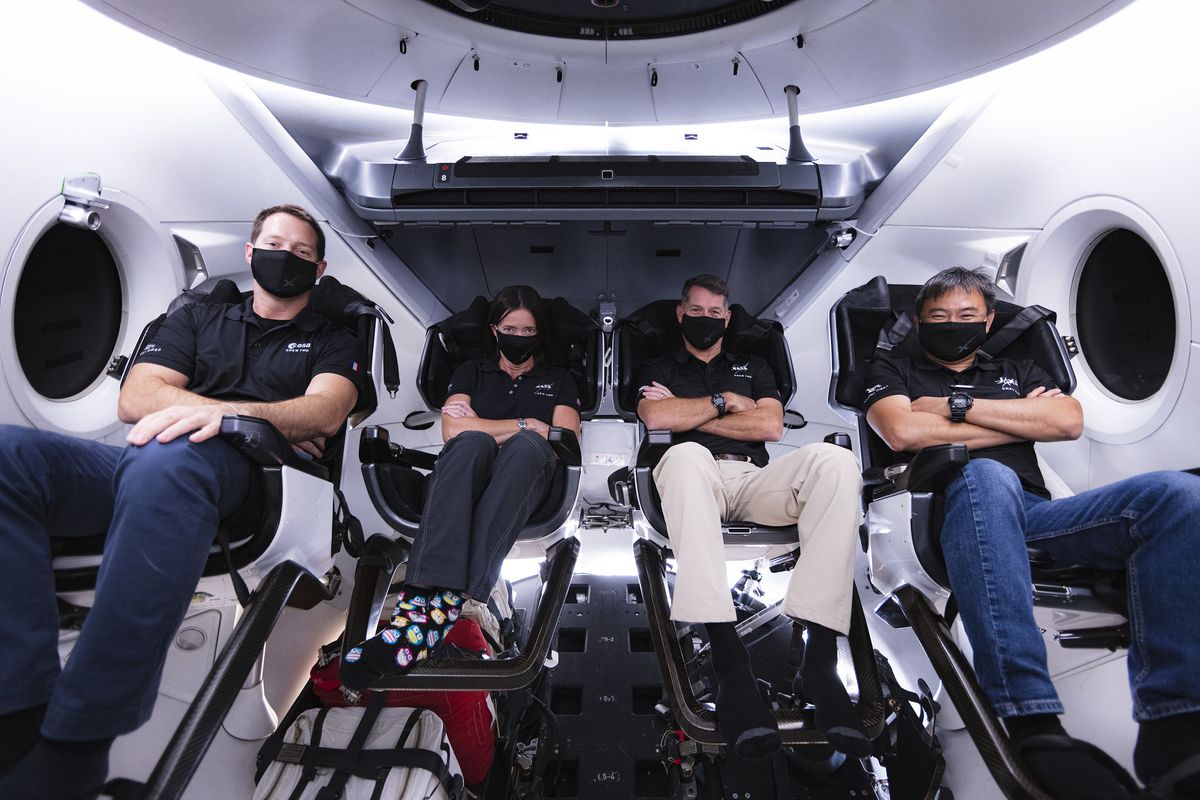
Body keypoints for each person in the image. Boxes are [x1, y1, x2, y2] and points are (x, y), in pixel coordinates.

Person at [0, 204, 361, 799]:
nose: (286, 257)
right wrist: (224, 413)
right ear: (250, 254)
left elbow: (321, 412)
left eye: (301, 253)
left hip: (255, 472)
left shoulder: (331, 338)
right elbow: (136, 397)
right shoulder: (199, 318)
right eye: (275, 244)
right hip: (150, 452)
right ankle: (17, 708)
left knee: (169, 461)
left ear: (318, 270)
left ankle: (81, 741)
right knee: (12, 457)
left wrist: (212, 415)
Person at [863, 266, 1200, 799]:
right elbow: (902, 430)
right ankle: (1033, 723)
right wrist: (1013, 421)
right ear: (918, 322)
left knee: (1178, 496)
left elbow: (1066, 422)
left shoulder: (1016, 367)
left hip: (1034, 513)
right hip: (939, 509)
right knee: (988, 473)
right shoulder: (891, 370)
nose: (954, 324)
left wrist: (954, 409)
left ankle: (1176, 728)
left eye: (967, 316)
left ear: (988, 319)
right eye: (939, 317)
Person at [635, 274, 867, 761]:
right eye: (695, 311)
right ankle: (728, 659)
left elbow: (771, 424)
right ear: (681, 314)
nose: (705, 320)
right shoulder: (658, 364)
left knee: (837, 461)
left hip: (752, 478)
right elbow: (656, 420)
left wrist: (690, 411)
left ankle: (820, 659)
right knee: (683, 455)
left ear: (728, 316)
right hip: (690, 479)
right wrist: (724, 402)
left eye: (715, 312)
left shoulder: (753, 365)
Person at [340, 285, 582, 688]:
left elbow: (564, 437)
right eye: (511, 328)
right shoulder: (471, 371)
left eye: (527, 331)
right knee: (474, 442)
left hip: (530, 473)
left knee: (527, 446)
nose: (518, 337)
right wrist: (525, 423)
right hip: (468, 470)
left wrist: (512, 430)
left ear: (539, 334)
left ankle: (434, 609)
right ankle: (429, 606)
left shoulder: (558, 379)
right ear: (494, 329)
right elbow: (454, 430)